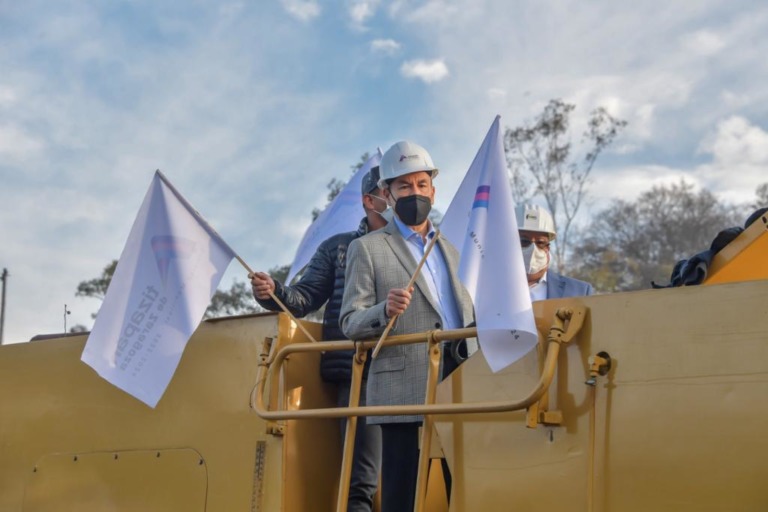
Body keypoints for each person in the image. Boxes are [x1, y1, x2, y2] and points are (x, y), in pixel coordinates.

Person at [340, 141, 474, 512]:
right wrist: (384, 310)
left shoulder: (455, 247)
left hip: (462, 380)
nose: (414, 192)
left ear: (433, 189)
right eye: (404, 186)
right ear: (386, 194)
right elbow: (350, 321)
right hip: (403, 388)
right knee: (402, 494)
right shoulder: (367, 248)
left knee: (466, 489)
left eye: (421, 184)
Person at [249, 167, 388, 512]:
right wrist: (273, 291)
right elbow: (303, 298)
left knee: (415, 475)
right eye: (391, 189)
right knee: (361, 481)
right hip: (358, 375)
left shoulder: (422, 248)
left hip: (413, 371)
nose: (402, 196)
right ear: (369, 200)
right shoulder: (338, 248)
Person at [515, 203, 594, 298]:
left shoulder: (579, 291)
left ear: (548, 248)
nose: (532, 250)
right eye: (524, 241)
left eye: (540, 242)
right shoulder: (496, 286)